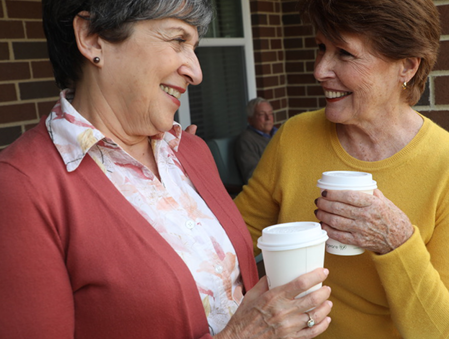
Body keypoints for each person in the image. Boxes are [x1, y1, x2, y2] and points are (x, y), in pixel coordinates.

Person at [0, 1, 332, 338]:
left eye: (194, 46)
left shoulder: (190, 152)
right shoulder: (23, 188)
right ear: (92, 38)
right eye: (177, 40)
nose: (196, 71)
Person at [233, 0, 449, 338]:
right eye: (321, 48)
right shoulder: (293, 137)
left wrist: (396, 239)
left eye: (345, 54)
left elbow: (442, 331)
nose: (320, 70)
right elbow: (230, 245)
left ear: (407, 67)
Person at [235, 97, 278, 183]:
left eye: (270, 113)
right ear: (250, 120)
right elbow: (252, 175)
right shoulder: (246, 140)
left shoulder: (279, 134)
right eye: (262, 114)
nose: (268, 118)